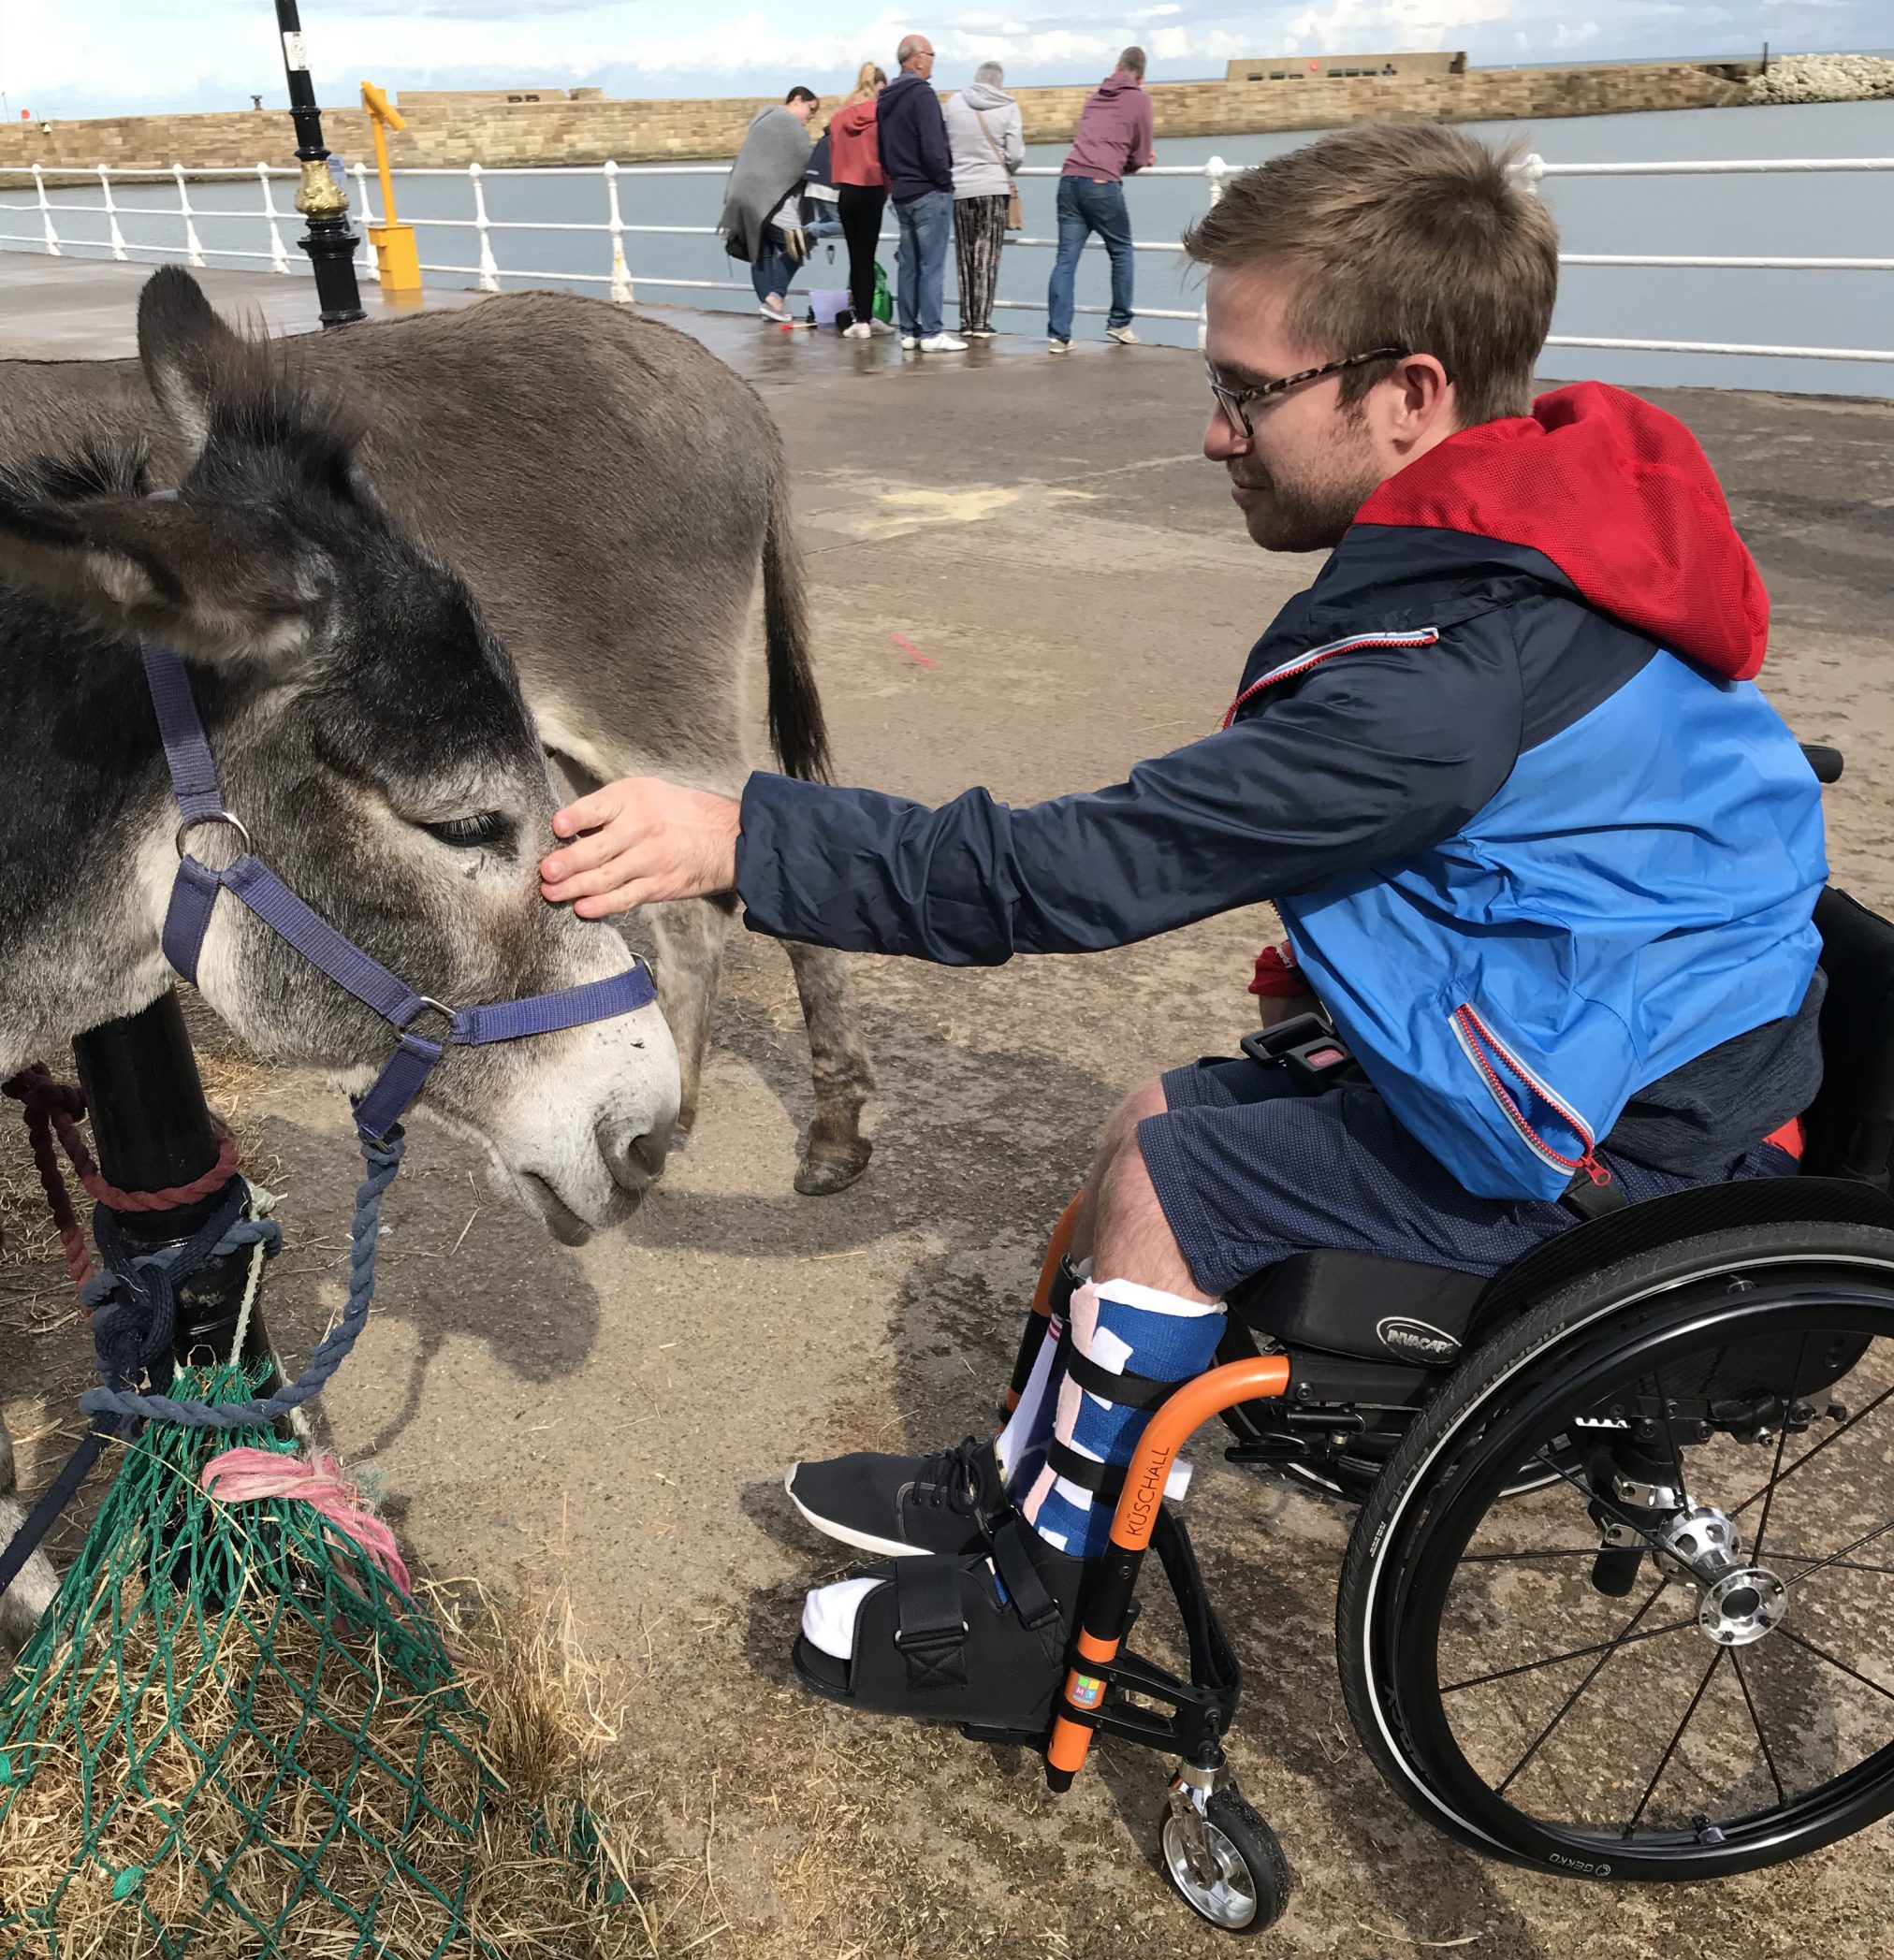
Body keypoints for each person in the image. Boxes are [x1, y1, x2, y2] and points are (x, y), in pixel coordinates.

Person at [537, 123, 1826, 1732]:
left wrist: (740, 834)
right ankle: (1024, 1485)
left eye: (1243, 390)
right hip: (1617, 1051)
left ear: (1409, 394)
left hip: (1629, 1164)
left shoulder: (1437, 692)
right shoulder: (1531, 546)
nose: (1212, 435)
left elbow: (1069, 874)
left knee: (1174, 1169)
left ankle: (1031, 1622)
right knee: (1149, 1106)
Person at [1046, 46, 1155, 353]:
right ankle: (1119, 322)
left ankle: (1058, 335)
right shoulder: (1138, 99)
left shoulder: (1095, 97)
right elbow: (1141, 152)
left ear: (1117, 65)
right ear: (1142, 76)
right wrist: (1138, 162)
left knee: (1065, 260)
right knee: (1121, 251)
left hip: (1069, 179)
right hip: (1101, 182)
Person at [876, 34, 965, 353]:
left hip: (902, 191)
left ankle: (909, 331)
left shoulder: (885, 98)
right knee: (932, 264)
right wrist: (944, 180)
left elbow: (882, 150)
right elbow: (933, 147)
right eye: (931, 54)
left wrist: (897, 177)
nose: (933, 60)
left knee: (909, 264)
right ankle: (932, 332)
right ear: (916, 59)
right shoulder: (922, 95)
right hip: (928, 190)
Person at [719, 85, 819, 323]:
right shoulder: (788, 123)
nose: (811, 117)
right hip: (768, 199)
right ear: (797, 99)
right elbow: (805, 162)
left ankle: (771, 307)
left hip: (743, 197)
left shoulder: (763, 119)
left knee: (761, 252)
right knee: (797, 245)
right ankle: (774, 298)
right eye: (811, 109)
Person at [944, 60, 1025, 339]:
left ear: (976, 79)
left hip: (960, 187)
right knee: (987, 255)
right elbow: (1015, 154)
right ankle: (982, 322)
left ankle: (965, 320)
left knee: (964, 254)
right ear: (999, 83)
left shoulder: (954, 103)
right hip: (993, 186)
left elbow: (945, 144)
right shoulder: (1008, 106)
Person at [829, 63, 895, 340]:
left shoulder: (839, 117)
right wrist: (887, 190)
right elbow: (887, 157)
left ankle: (860, 317)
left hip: (847, 191)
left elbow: (833, 153)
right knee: (867, 257)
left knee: (855, 257)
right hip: (872, 188)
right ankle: (867, 319)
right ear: (880, 86)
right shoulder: (881, 116)